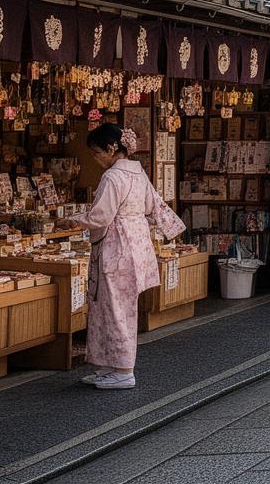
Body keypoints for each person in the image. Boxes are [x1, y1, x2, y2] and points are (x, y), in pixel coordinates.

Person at [77, 123, 186, 389]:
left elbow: (100, 216)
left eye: (96, 152)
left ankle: (123, 370)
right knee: (113, 308)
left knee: (114, 310)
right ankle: (107, 365)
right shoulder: (137, 173)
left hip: (117, 248)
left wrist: (73, 220)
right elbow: (153, 206)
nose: (96, 158)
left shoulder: (113, 177)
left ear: (112, 148)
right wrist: (172, 229)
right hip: (136, 246)